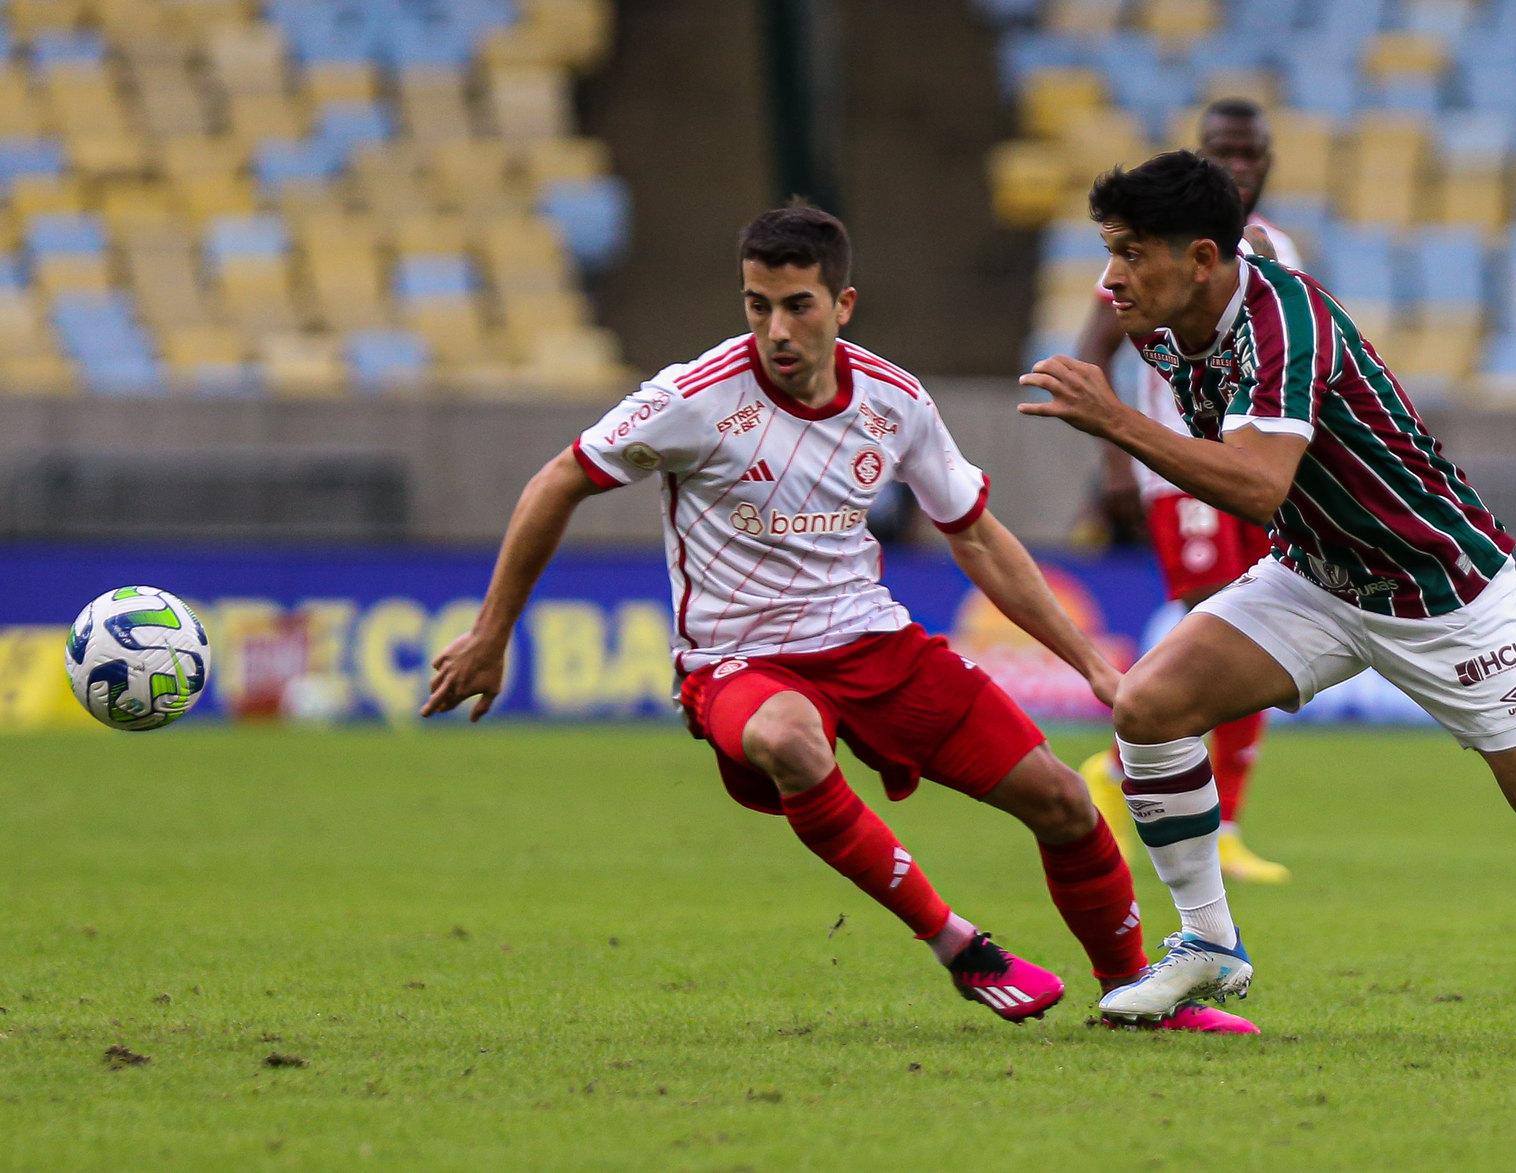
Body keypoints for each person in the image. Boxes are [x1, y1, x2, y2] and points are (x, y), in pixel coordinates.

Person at [423, 203, 1255, 1033]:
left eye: (797, 305)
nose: (776, 329)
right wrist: (493, 633)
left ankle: (1135, 1001)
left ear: (842, 304)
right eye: (758, 305)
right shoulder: (694, 398)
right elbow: (556, 481)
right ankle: (960, 943)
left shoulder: (893, 400)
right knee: (790, 741)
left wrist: (1093, 666)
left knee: (1064, 800)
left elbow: (976, 537)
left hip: (872, 642)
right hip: (738, 661)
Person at [1020, 151, 1516, 1054]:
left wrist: (1117, 423)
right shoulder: (1163, 327)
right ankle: (1210, 943)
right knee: (1148, 708)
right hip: (1318, 578)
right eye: (1109, 251)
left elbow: (1258, 485)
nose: (1111, 279)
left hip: (1441, 591)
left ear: (1203, 258)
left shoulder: (1282, 323)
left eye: (1132, 253)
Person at [1073, 98, 1303, 886]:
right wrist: (1113, 467)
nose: (1240, 166)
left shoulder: (1283, 248)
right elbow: (1096, 346)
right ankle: (1120, 765)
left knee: (1256, 633)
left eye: (1251, 153)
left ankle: (1219, 816)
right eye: (1224, 153)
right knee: (1216, 612)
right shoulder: (1155, 255)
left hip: (1254, 467)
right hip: (1183, 472)